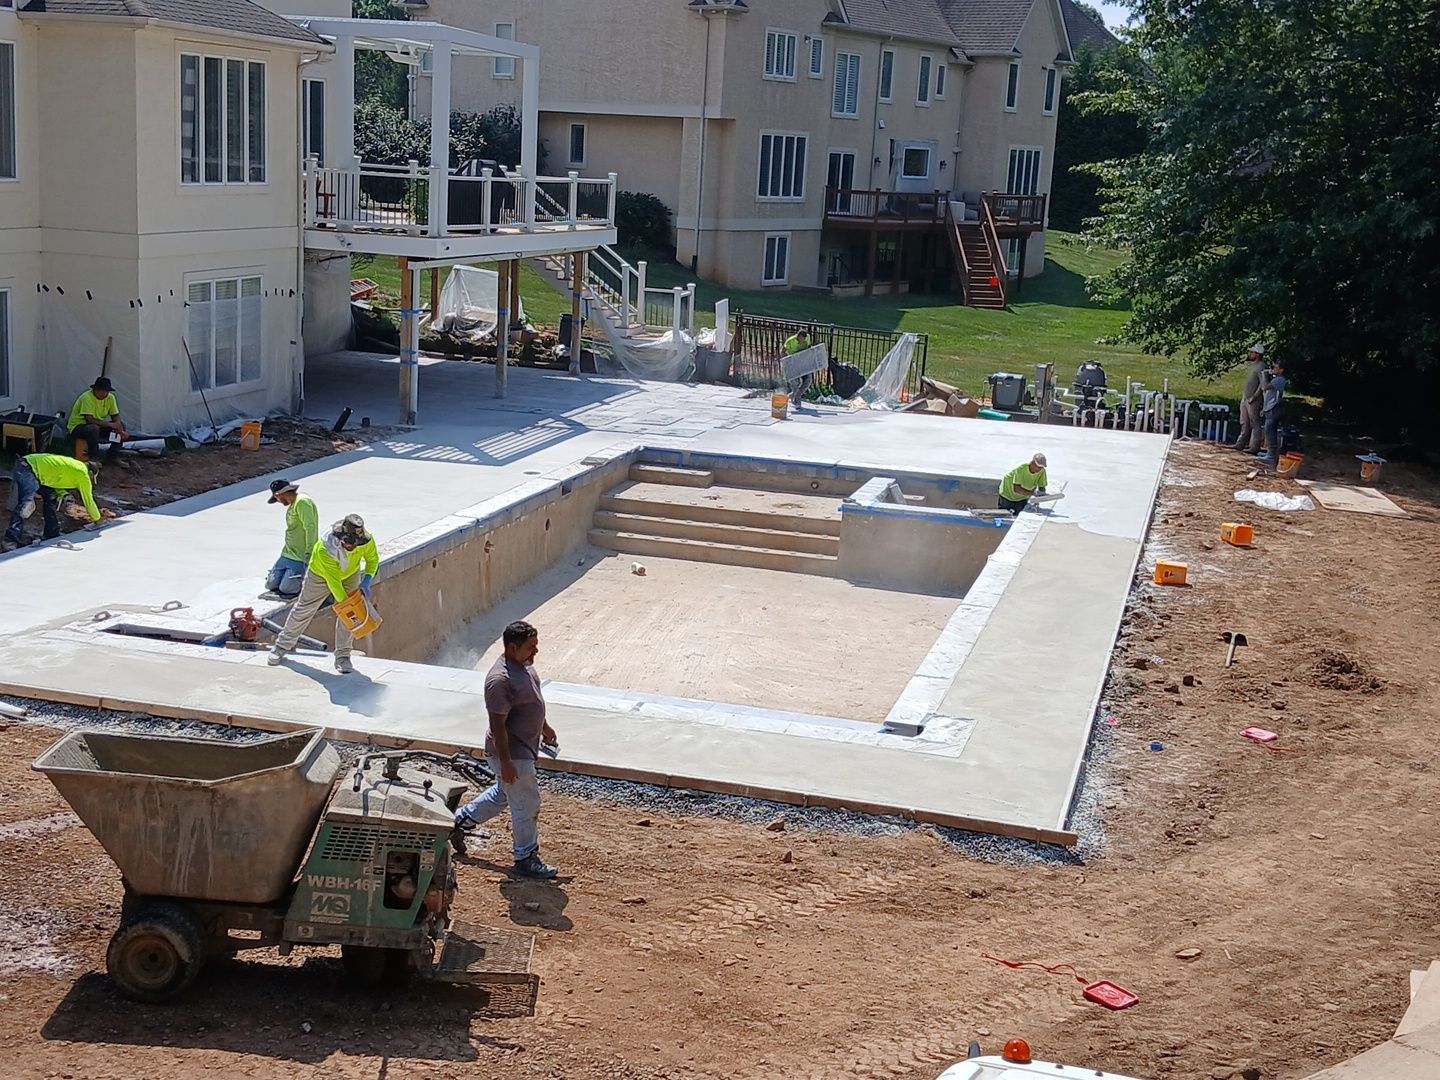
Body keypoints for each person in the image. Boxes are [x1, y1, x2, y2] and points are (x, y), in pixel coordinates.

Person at [452, 620, 560, 880]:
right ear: (512, 648)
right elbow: (497, 725)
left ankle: (459, 822)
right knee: (526, 803)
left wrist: (544, 726)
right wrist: (507, 762)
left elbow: (532, 700)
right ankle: (526, 857)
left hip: (522, 749)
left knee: (504, 793)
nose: (536, 652)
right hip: (512, 753)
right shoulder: (499, 680)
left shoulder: (523, 666)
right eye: (531, 647)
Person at [268, 513, 379, 674]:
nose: (354, 548)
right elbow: (334, 583)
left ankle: (343, 656)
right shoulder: (325, 548)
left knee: (347, 616)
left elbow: (373, 560)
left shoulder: (366, 540)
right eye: (350, 545)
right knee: (304, 609)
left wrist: (367, 580)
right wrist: (351, 606)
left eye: (357, 544)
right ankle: (281, 647)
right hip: (320, 575)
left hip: (350, 574)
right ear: (341, 538)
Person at [4, 453, 108, 550]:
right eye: (91, 478)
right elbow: (88, 500)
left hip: (28, 466)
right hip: (29, 468)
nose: (90, 481)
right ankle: (10, 541)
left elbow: (55, 480)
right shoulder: (83, 474)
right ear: (90, 473)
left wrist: (64, 494)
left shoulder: (75, 467)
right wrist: (97, 518)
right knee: (25, 505)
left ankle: (51, 532)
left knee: (50, 496)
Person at [264, 479, 318, 598]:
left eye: (276, 499)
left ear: (279, 495)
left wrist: (310, 552)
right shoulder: (293, 505)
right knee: (271, 584)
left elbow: (311, 527)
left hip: (300, 556)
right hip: (288, 553)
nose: (278, 502)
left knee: (287, 588)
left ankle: (306, 582)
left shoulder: (302, 502)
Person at [68, 376, 126, 462]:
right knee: (93, 429)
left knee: (121, 425)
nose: (104, 394)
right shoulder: (87, 397)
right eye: (101, 391)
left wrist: (117, 424)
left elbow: (115, 415)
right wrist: (110, 424)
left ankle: (113, 456)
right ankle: (94, 458)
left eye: (106, 391)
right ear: (95, 390)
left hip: (98, 426)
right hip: (78, 426)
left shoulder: (110, 398)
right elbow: (89, 419)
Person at [1232, 344, 1266, 453]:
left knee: (1254, 423)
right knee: (1244, 421)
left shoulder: (1261, 367)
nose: (1250, 354)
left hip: (1253, 399)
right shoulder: (1254, 365)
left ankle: (1254, 447)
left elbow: (1262, 384)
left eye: (1252, 352)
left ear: (1257, 354)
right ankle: (1240, 443)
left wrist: (1254, 397)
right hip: (1246, 397)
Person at [1257, 362, 1288, 465]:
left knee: (1270, 432)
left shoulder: (1280, 380)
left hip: (1274, 410)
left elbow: (1264, 387)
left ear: (1281, 370)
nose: (1273, 369)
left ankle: (1271, 457)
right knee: (1269, 432)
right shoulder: (1277, 379)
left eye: (1276, 367)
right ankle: (1270, 454)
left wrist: (1264, 375)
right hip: (1271, 408)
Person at [784, 328, 816, 407]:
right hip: (793, 363)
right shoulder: (790, 341)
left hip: (804, 362)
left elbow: (809, 347)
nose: (803, 341)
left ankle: (796, 395)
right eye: (802, 339)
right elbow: (783, 351)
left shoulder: (807, 337)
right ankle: (795, 399)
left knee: (808, 380)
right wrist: (788, 360)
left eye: (804, 339)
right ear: (798, 337)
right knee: (796, 383)